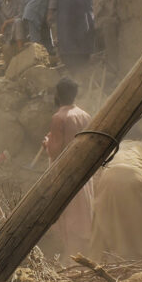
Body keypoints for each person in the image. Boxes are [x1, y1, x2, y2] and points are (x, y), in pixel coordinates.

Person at [42, 77, 94, 260]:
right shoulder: (84, 115)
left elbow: (55, 151)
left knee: (68, 214)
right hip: (83, 171)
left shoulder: (59, 117)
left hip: (65, 173)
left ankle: (72, 260)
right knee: (83, 213)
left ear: (57, 94)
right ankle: (83, 256)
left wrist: (47, 143)